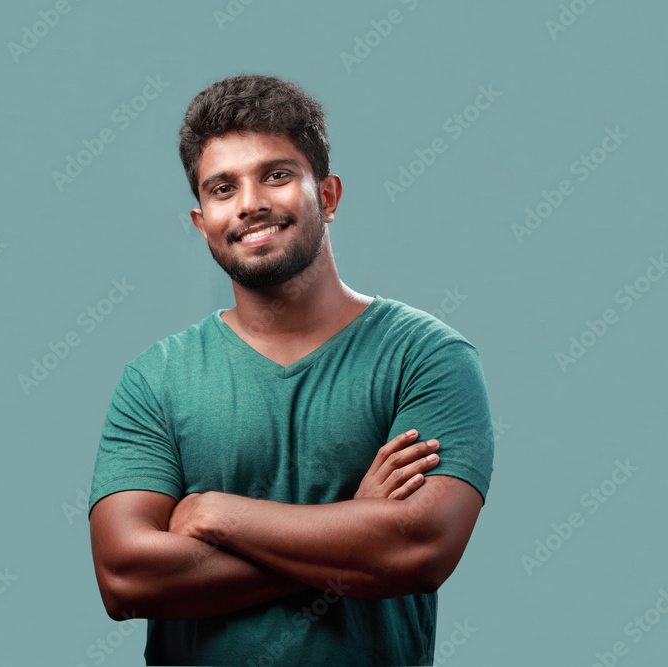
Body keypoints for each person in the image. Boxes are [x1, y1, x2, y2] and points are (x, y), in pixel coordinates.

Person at [87, 73, 495, 666]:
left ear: (327, 196)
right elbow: (125, 579)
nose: (250, 203)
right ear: (202, 222)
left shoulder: (425, 356)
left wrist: (212, 514)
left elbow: (420, 552)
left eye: (275, 176)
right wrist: (354, 533)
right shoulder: (156, 379)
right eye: (223, 188)